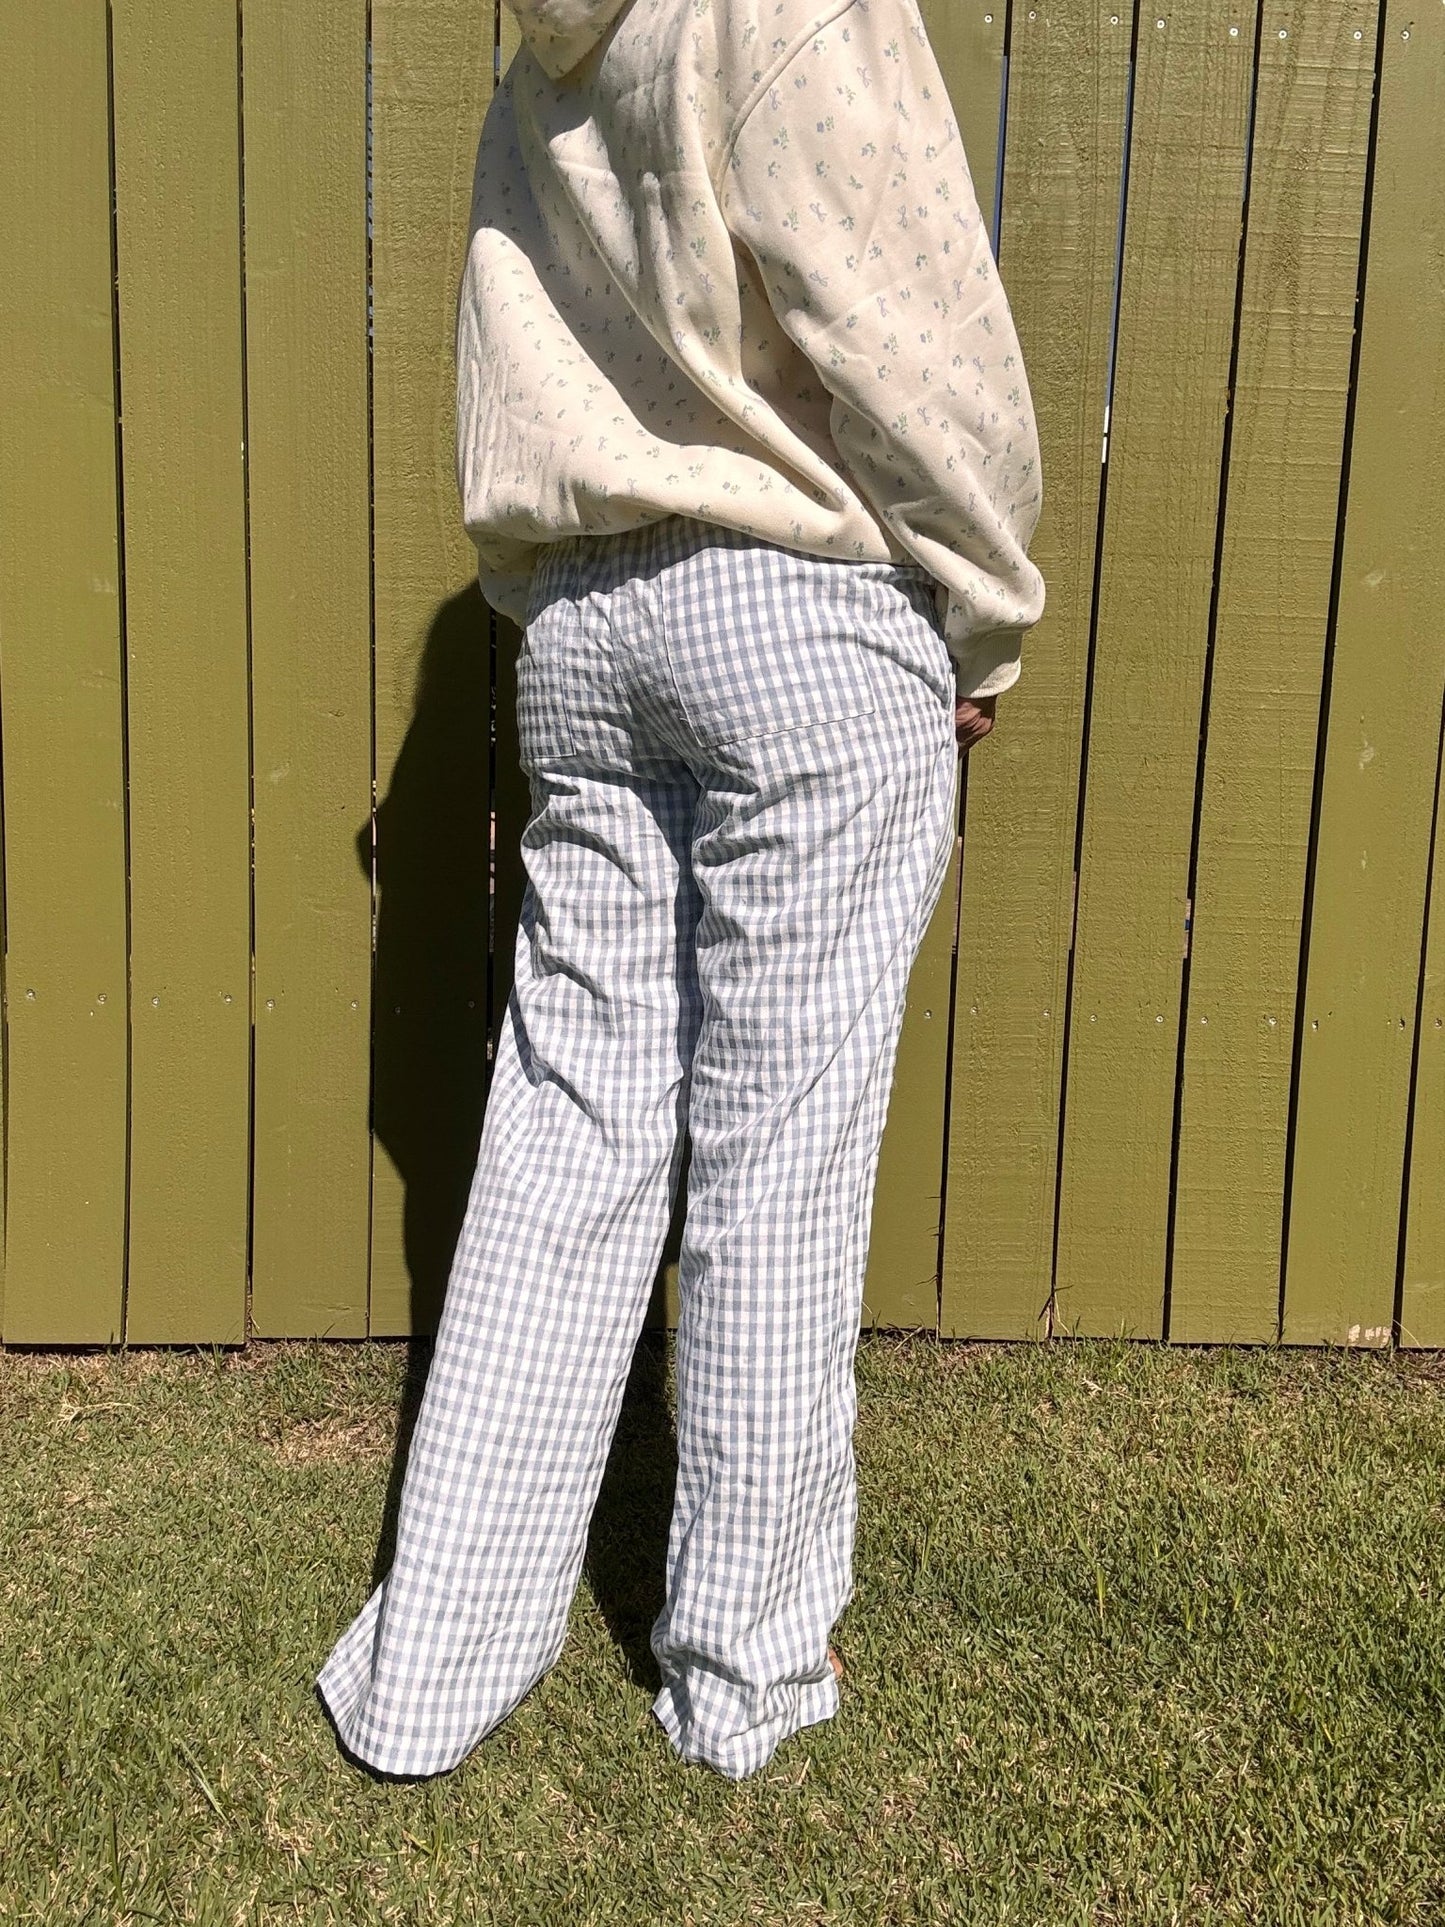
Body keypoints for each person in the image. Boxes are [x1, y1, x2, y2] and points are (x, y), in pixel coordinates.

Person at [317, 0, 1044, 1782]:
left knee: (564, 1133)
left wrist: (541, 593)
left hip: (583, 627)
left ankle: (431, 1667)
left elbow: (506, 366)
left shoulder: (538, 68)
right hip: (800, 608)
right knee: (775, 1161)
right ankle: (740, 1673)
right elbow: (911, 324)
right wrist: (981, 613)